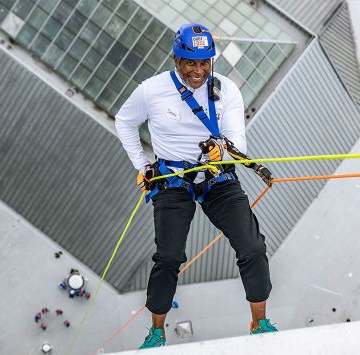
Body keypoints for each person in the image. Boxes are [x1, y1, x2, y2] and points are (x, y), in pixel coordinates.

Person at [115, 23, 277, 349]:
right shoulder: (152, 90)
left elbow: (237, 140)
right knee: (169, 257)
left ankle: (260, 322)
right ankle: (157, 330)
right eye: (190, 62)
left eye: (205, 63)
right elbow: (125, 121)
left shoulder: (226, 90)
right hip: (172, 181)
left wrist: (223, 150)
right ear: (176, 59)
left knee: (253, 247)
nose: (198, 71)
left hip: (217, 177)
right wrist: (143, 165)